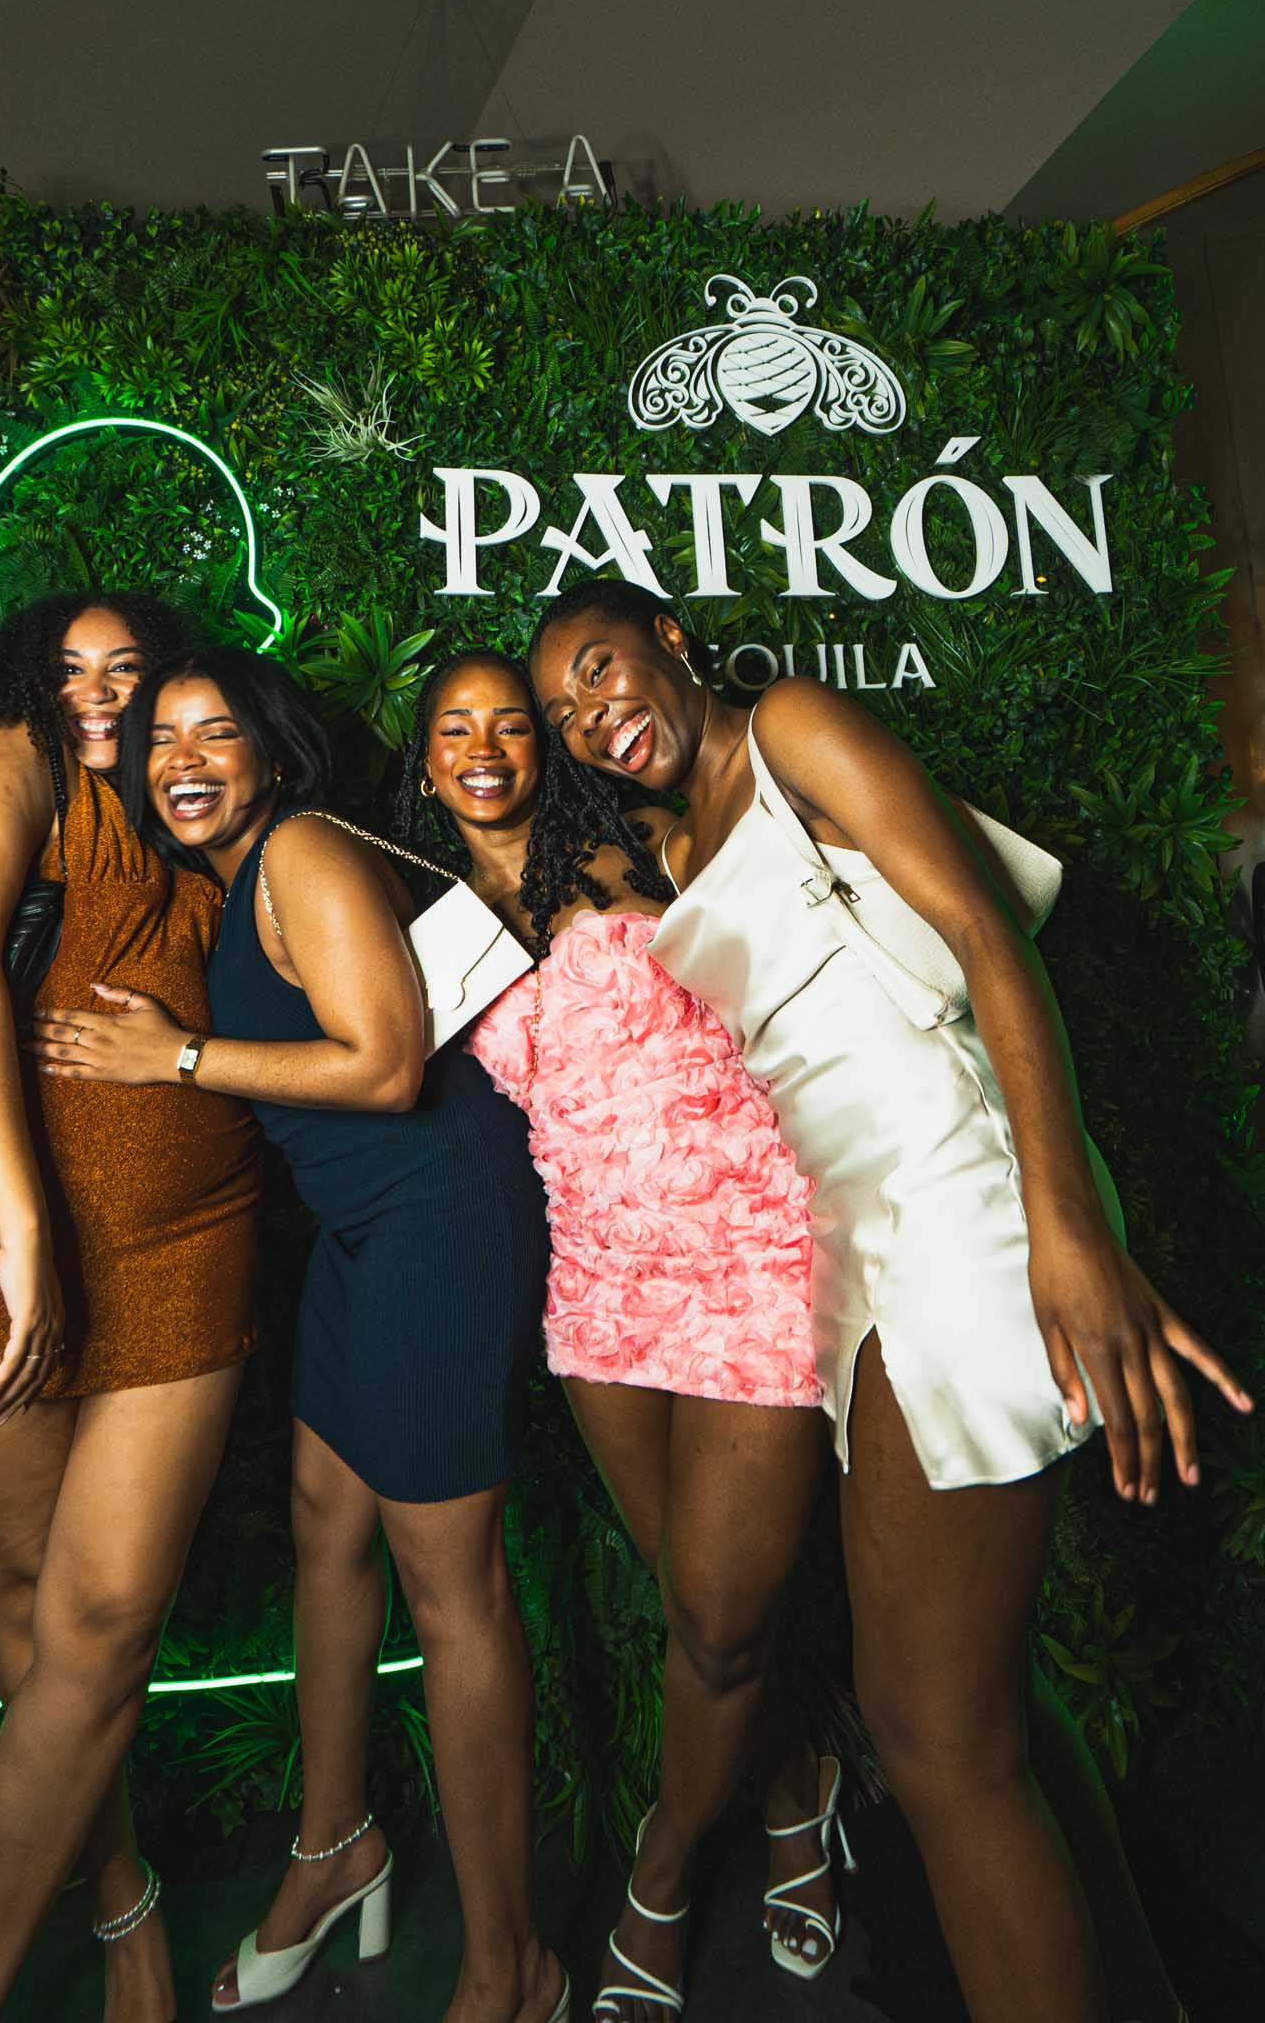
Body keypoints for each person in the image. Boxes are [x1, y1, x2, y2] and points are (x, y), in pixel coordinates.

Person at [531, 578, 1253, 2023]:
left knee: (935, 1746)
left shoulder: (793, 728)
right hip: (859, 1262)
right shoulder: (674, 845)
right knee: (976, 1714)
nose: (590, 714)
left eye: (600, 668)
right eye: (563, 713)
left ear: (671, 640)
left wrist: (1066, 1228)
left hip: (963, 1218)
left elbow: (987, 935)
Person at [31, 645, 569, 2023]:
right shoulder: (230, 881)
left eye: (216, 733)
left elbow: (384, 1069)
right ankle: (337, 1846)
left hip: (439, 1222)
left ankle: (514, 1969)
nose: (184, 760)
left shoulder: (305, 853)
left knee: (453, 1592)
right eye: (161, 739)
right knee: (328, 1527)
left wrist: (174, 1058)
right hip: (356, 1236)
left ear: (271, 752)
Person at [396, 650, 848, 2011]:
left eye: (513, 723)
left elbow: (822, 944)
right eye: (455, 728)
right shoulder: (427, 927)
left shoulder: (648, 844)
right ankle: (798, 1788)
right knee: (696, 1602)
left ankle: (661, 1873)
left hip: (757, 1253)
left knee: (717, 1617)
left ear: (547, 747)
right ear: (424, 762)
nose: (487, 748)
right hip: (598, 1286)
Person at [0, 592, 263, 2023]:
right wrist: (25, 1232)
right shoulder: (20, 761)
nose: (94, 692)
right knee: (26, 1601)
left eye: (125, 669)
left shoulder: (203, 800)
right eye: (67, 667)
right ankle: (118, 1899)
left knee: (107, 1620)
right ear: (27, 682)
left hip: (183, 1246)